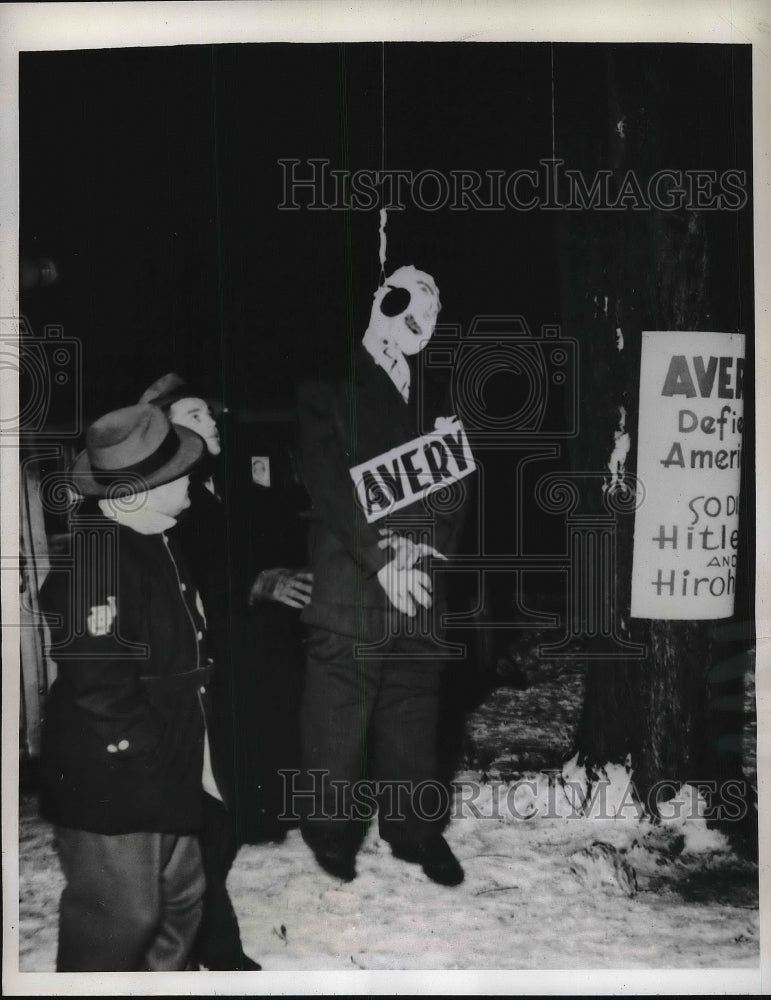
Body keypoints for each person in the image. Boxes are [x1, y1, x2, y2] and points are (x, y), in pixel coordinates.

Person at [296, 265, 472, 887]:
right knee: (339, 718)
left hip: (421, 584)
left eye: (432, 309)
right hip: (354, 584)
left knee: (413, 713)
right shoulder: (328, 383)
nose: (420, 319)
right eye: (408, 302)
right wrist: (382, 558)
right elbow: (327, 481)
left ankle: (414, 830)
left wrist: (425, 554)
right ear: (380, 302)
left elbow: (458, 483)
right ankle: (330, 831)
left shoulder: (438, 394)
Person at [39, 403, 220, 971]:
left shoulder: (152, 535)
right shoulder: (97, 556)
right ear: (133, 495)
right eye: (178, 475)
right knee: (123, 917)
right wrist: (145, 751)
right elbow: (99, 682)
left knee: (182, 900)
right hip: (115, 773)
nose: (193, 475)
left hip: (165, 756)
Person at [139, 373, 311, 970]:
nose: (210, 422)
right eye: (192, 414)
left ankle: (205, 945)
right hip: (196, 685)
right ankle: (199, 951)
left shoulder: (216, 486)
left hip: (239, 675)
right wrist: (257, 583)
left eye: (209, 414)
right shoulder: (162, 496)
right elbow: (188, 579)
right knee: (209, 819)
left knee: (223, 816)